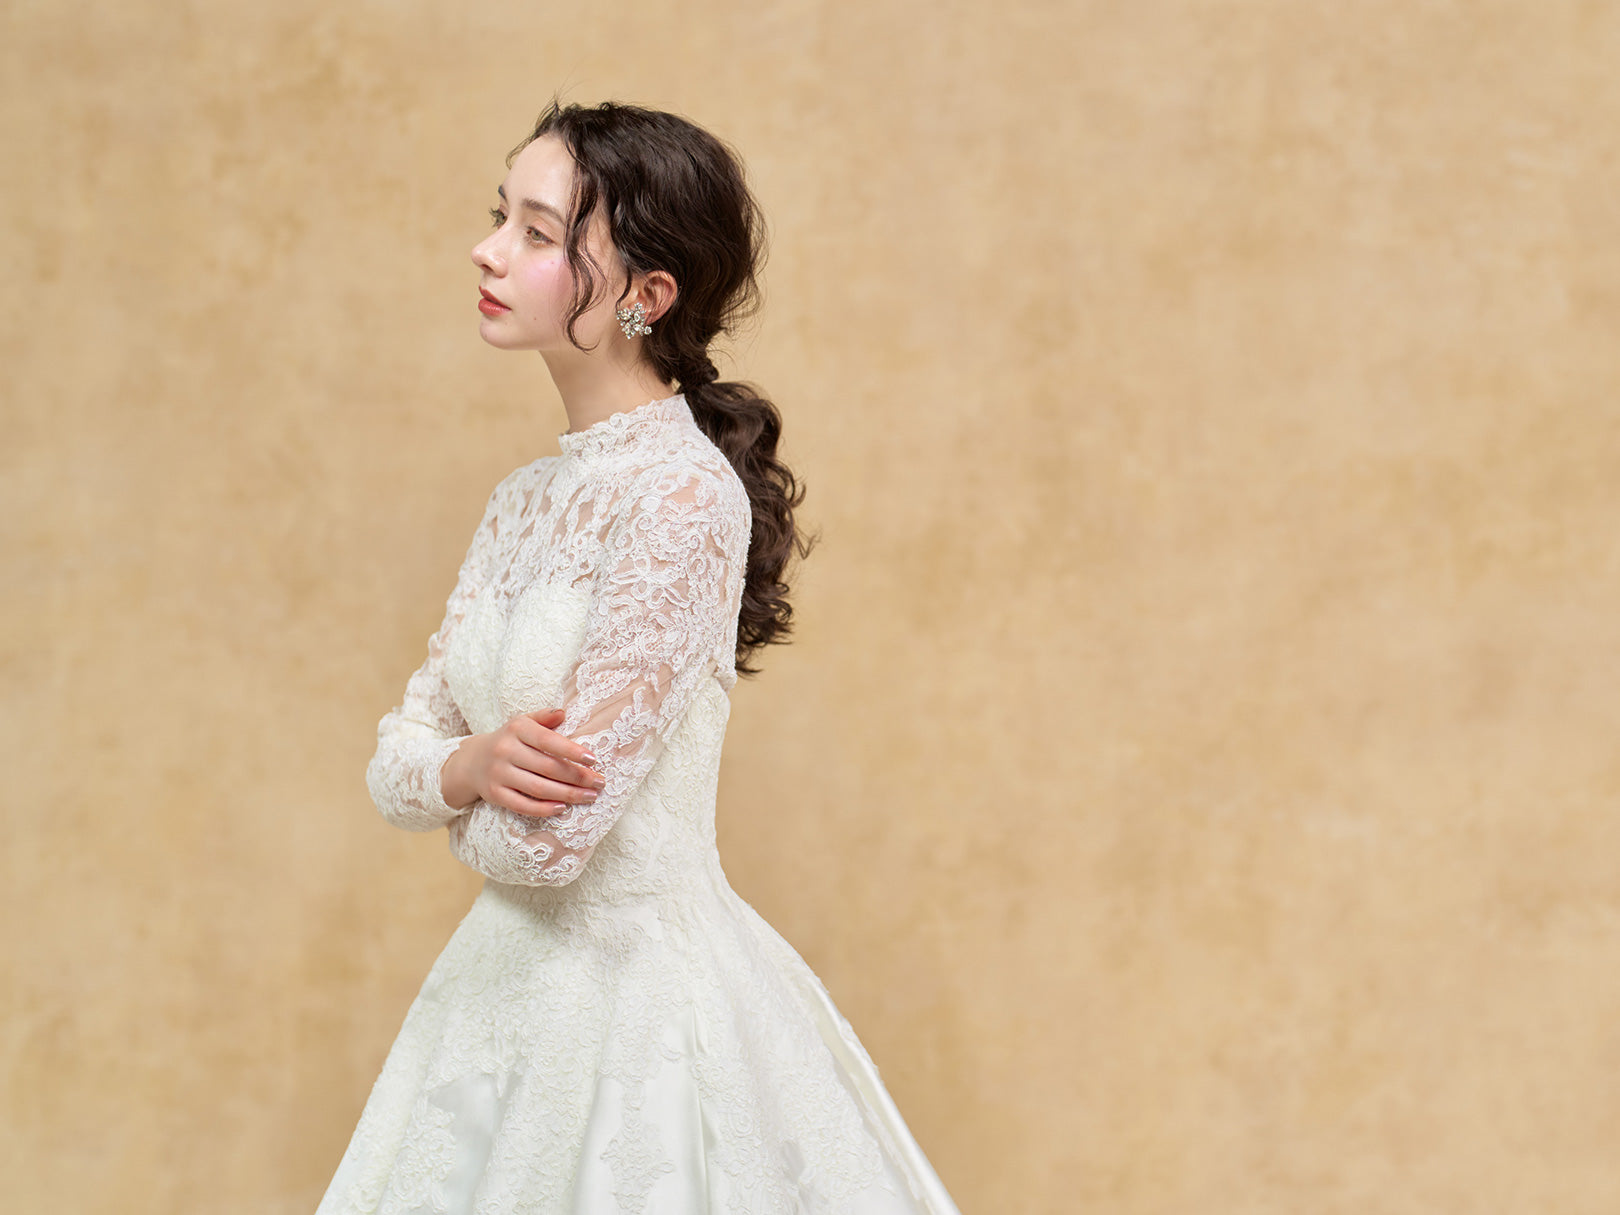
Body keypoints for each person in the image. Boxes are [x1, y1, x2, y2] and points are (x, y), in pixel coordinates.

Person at [314, 99, 963, 1214]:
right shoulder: (524, 498)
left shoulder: (683, 499)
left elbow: (549, 848)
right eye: (500, 217)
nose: (487, 250)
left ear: (645, 296)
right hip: (494, 999)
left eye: (536, 231)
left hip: (636, 1014)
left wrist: (454, 787)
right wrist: (470, 766)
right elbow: (396, 758)